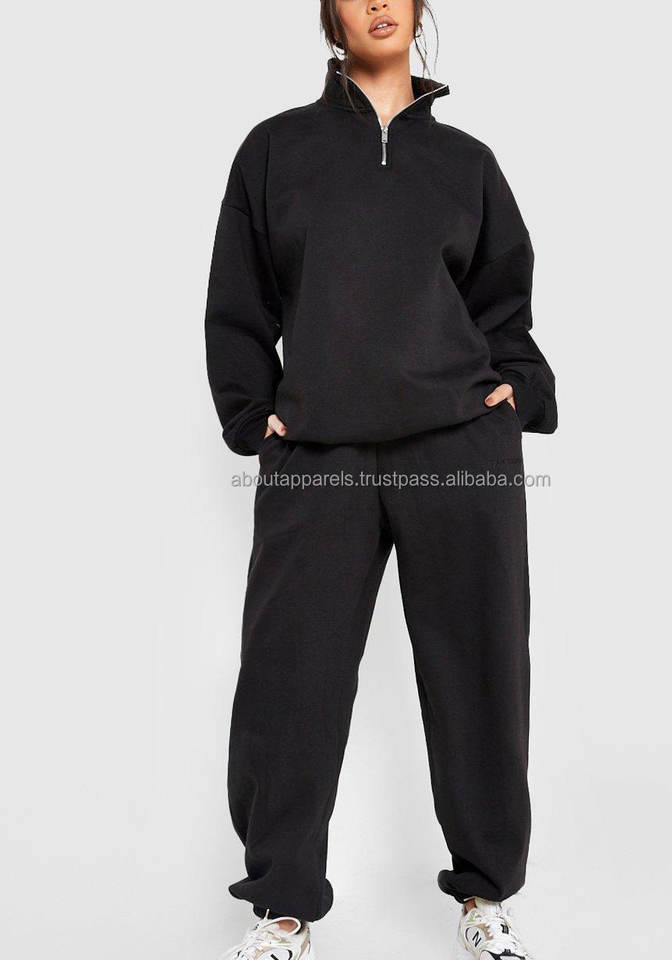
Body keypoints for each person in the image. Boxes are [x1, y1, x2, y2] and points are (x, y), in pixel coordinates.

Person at [205, 2, 557, 957]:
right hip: (320, 450)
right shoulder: (275, 150)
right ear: (330, 17)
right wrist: (252, 412)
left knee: (480, 667)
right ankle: (282, 905)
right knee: (290, 675)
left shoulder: (467, 163)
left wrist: (517, 393)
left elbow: (505, 304)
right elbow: (238, 297)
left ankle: (484, 897)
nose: (377, 1)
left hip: (457, 444)